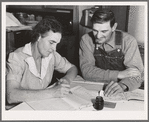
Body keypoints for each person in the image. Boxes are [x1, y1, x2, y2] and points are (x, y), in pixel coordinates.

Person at [6, 17, 78, 105]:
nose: (54, 49)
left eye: (56, 44)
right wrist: (52, 92)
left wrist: (66, 79)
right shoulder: (17, 57)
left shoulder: (51, 55)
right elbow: (11, 96)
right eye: (51, 43)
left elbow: (73, 68)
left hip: (40, 105)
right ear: (39, 37)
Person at [79, 9, 144, 97]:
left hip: (120, 87)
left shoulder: (129, 41)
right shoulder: (86, 40)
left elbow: (136, 75)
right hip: (96, 85)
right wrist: (119, 74)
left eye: (104, 31)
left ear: (114, 27)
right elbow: (87, 72)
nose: (98, 36)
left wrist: (122, 85)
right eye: (95, 30)